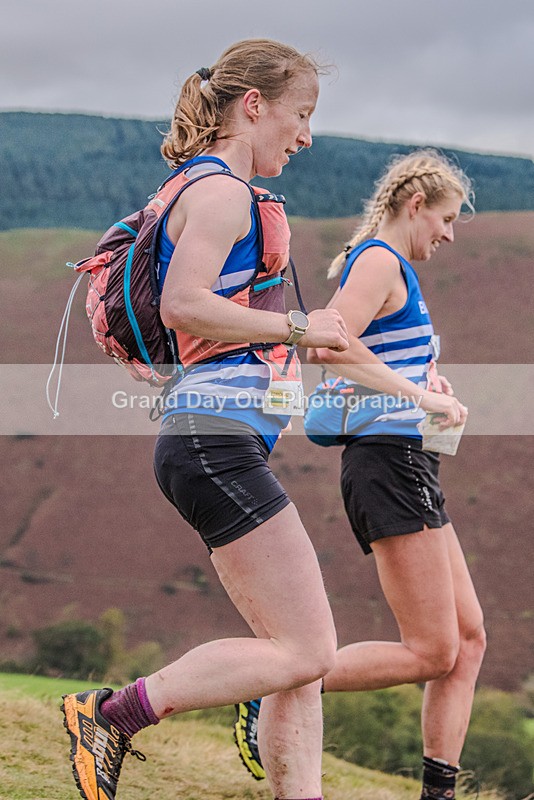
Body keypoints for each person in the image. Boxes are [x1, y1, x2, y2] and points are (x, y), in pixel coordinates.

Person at [62, 38, 350, 800]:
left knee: (295, 655)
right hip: (212, 442)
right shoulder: (221, 193)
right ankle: (112, 713)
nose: (306, 136)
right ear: (254, 105)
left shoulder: (199, 186)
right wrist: (297, 328)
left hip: (208, 439)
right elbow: (183, 304)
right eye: (300, 114)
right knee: (310, 648)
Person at [234, 149, 487, 800]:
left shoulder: (392, 267)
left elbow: (372, 358)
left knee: (468, 640)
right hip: (389, 464)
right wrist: (417, 393)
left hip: (408, 461)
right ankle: (269, 688)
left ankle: (439, 792)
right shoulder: (378, 261)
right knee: (432, 651)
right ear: (415, 205)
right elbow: (326, 345)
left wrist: (426, 387)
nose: (449, 234)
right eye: (446, 219)